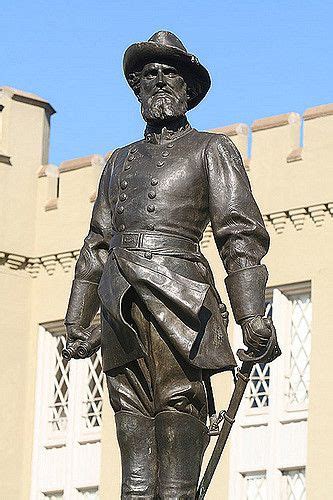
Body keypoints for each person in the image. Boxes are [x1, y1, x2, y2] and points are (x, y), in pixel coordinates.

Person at [65, 31, 274, 499]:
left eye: (170, 75)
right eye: (149, 76)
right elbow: (97, 243)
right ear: (137, 88)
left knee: (179, 413)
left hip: (179, 297)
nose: (159, 83)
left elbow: (238, 234)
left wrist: (251, 315)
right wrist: (76, 322)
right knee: (131, 421)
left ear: (188, 90)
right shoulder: (119, 162)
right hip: (120, 299)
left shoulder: (211, 148)